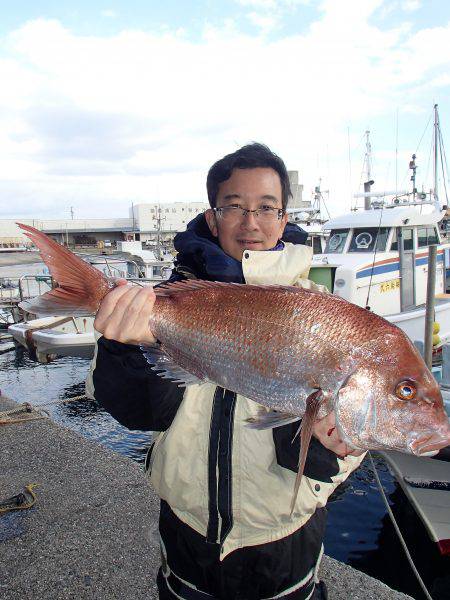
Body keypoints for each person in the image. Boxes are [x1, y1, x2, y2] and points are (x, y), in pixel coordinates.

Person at [90, 143, 365, 600]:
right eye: (234, 207)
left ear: (283, 218)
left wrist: (326, 449)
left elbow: (344, 459)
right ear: (213, 218)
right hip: (186, 533)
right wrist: (122, 348)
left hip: (283, 543)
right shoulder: (165, 300)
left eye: (265, 208)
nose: (250, 223)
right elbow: (137, 414)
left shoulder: (326, 318)